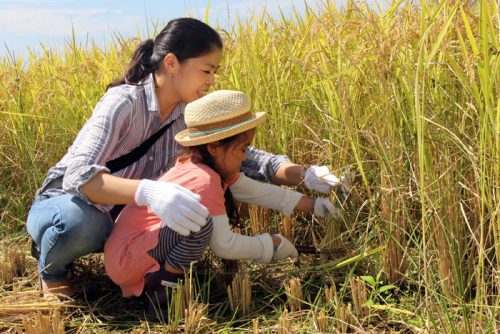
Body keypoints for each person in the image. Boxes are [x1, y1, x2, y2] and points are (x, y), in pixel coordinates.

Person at [26, 17, 344, 298]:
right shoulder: (124, 102)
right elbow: (79, 176)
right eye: (206, 70)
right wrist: (149, 192)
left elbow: (246, 159)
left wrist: (307, 175)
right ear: (172, 63)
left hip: (122, 219)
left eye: (215, 72)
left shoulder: (188, 117)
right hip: (66, 204)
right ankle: (52, 268)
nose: (211, 81)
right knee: (82, 223)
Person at [104, 90, 339, 321]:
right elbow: (224, 245)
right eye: (242, 149)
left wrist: (314, 205)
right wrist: (271, 246)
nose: (245, 157)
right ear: (214, 146)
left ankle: (160, 279)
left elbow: (257, 191)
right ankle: (164, 293)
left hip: (131, 253)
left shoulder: (203, 167)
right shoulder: (203, 180)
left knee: (198, 221)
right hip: (128, 258)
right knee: (201, 224)